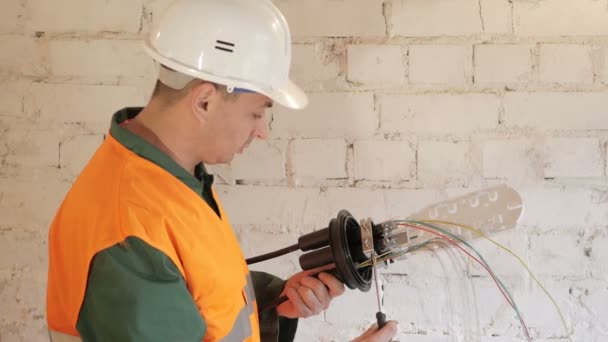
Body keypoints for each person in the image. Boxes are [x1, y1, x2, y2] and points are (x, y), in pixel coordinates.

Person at [45, 0, 398, 341]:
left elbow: (193, 301)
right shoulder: (129, 230)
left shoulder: (171, 179)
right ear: (205, 101)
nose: (263, 131)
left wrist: (274, 303)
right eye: (258, 112)